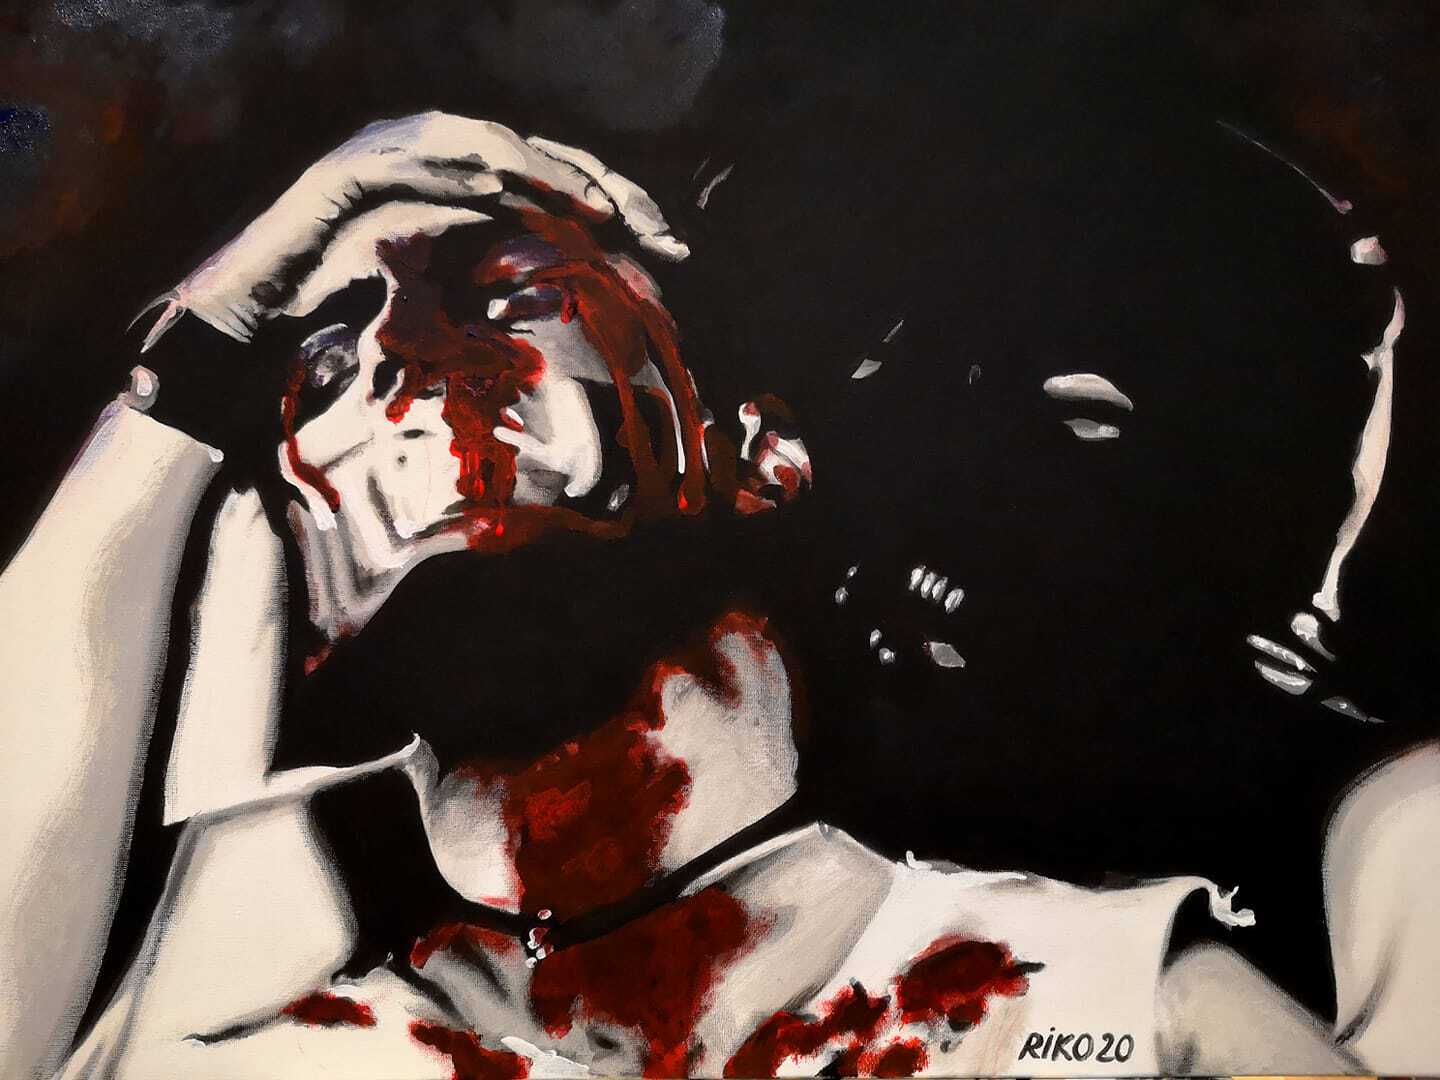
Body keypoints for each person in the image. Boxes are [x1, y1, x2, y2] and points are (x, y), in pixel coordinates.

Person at [0, 112, 1432, 1079]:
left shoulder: (1090, 999)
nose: (402, 367)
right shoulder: (261, 999)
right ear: (302, 569)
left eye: (506, 293)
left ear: (759, 452)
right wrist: (183, 374)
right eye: (320, 368)